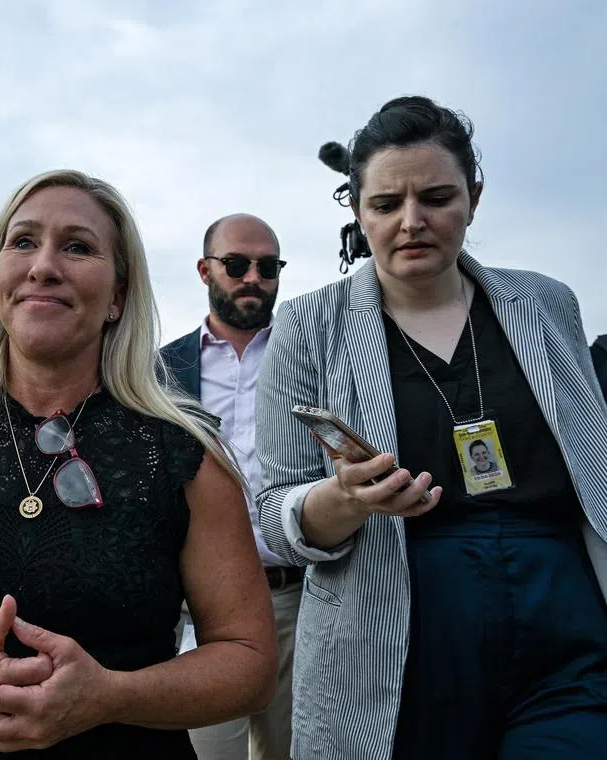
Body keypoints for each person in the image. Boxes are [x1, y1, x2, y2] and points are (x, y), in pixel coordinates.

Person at [0, 169, 277, 758]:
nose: (43, 265)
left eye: (77, 247)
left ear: (119, 295)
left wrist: (111, 696)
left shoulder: (184, 451)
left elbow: (248, 662)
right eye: (22, 242)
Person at [256, 95, 607, 760]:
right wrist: (347, 499)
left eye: (437, 197)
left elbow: (597, 466)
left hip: (564, 622)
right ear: (357, 211)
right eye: (386, 205)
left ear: (474, 196)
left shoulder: (547, 303)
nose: (411, 222)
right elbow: (279, 517)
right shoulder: (308, 328)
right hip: (398, 632)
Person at [160, 214, 296, 760]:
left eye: (268, 267)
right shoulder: (161, 370)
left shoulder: (306, 354)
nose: (252, 279)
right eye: (237, 265)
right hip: (200, 610)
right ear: (204, 270)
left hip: (296, 597)